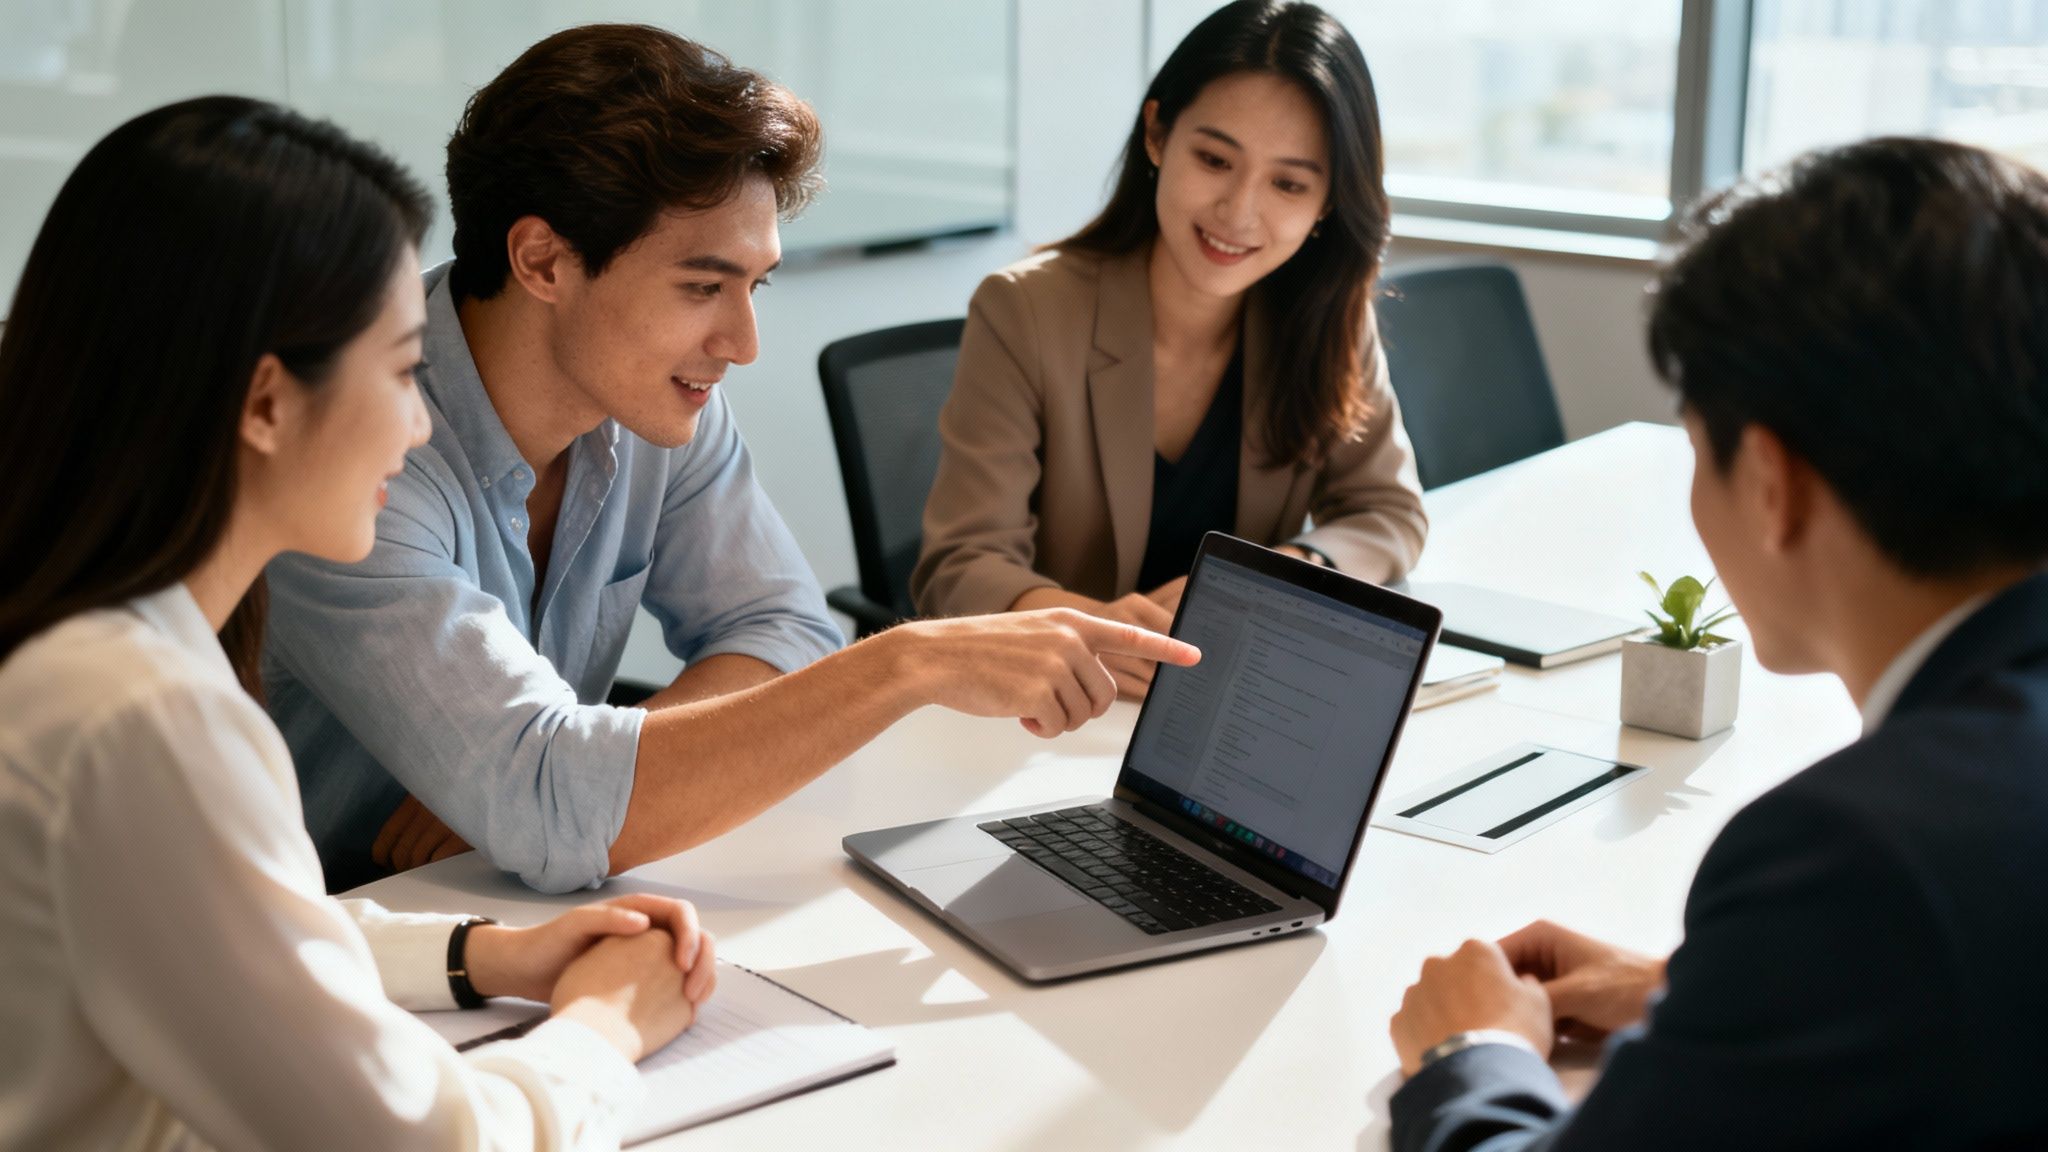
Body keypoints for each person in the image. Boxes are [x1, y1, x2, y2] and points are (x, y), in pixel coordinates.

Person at [260, 24, 1200, 895]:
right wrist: (905, 665)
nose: (742, 342)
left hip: (513, 905)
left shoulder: (655, 402)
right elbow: (548, 809)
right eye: (704, 285)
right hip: (320, 933)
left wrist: (547, 774)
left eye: (754, 284)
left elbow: (784, 627)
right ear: (542, 262)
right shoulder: (361, 451)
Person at [0, 96, 719, 1151]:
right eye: (398, 370)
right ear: (265, 404)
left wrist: (482, 956)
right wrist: (604, 1028)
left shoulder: (93, 648)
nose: (420, 420)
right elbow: (419, 1142)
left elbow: (225, 934)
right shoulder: (140, 717)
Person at [1386, 136, 2048, 1149]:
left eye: (1695, 449)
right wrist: (1698, 995)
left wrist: (1469, 1053)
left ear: (1773, 487)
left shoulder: (1851, 860)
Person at [912, 0, 1427, 700]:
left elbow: (1389, 513)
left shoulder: (1327, 314)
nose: (1239, 213)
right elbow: (960, 566)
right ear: (1157, 135)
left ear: (1329, 201)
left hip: (1228, 710)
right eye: (1215, 159)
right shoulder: (1025, 310)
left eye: (1288, 183)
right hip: (1060, 710)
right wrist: (1094, 630)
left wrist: (1285, 573)